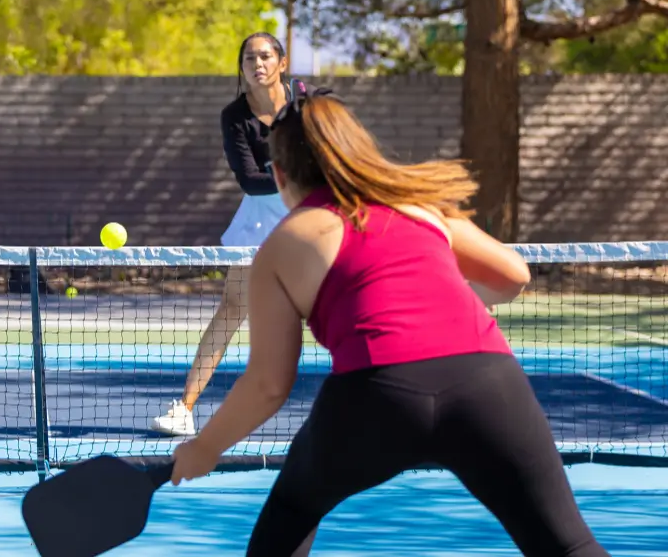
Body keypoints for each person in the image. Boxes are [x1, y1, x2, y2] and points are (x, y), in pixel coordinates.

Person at [168, 87, 608, 555]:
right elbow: (514, 276)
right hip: (487, 383)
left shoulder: (283, 243)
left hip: (376, 394)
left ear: (278, 175)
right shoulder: (419, 205)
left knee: (293, 511)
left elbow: (269, 385)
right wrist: (451, 304)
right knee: (570, 547)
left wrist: (205, 448)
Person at [151, 32, 296, 436]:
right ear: (242, 68)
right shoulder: (235, 116)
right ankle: (184, 408)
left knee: (338, 308)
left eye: (265, 56)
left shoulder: (306, 102)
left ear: (282, 63)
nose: (257, 64)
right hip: (259, 222)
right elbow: (249, 180)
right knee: (232, 308)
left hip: (310, 217)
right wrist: (298, 179)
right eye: (249, 59)